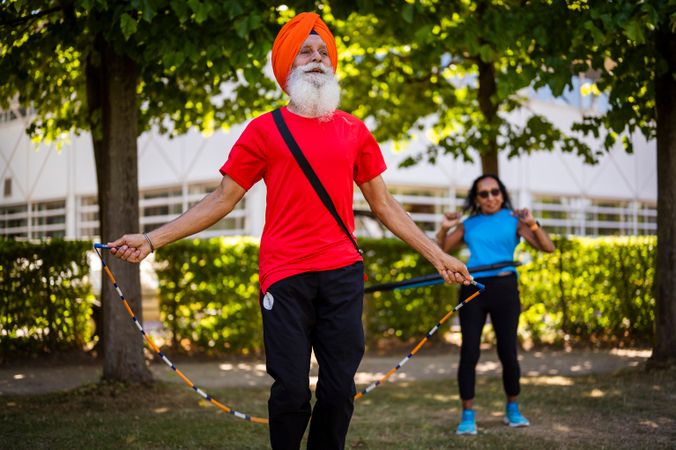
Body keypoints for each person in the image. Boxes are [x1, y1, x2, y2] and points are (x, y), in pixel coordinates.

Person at [108, 12, 471, 450]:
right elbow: (221, 200)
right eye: (306, 51)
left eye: (323, 52)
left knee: (339, 392)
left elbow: (386, 205)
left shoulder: (354, 129)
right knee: (292, 393)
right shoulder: (264, 130)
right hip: (284, 274)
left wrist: (439, 255)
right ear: (288, 66)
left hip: (343, 273)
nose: (317, 58)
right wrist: (151, 240)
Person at [436, 174, 555, 436]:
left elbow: (548, 248)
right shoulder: (469, 224)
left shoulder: (515, 220)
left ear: (502, 193)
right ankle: (468, 415)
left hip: (504, 289)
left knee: (507, 352)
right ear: (476, 199)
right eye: (484, 194)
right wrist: (445, 227)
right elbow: (442, 250)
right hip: (473, 288)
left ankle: (513, 408)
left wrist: (533, 225)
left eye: (495, 192)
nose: (491, 197)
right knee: (469, 353)